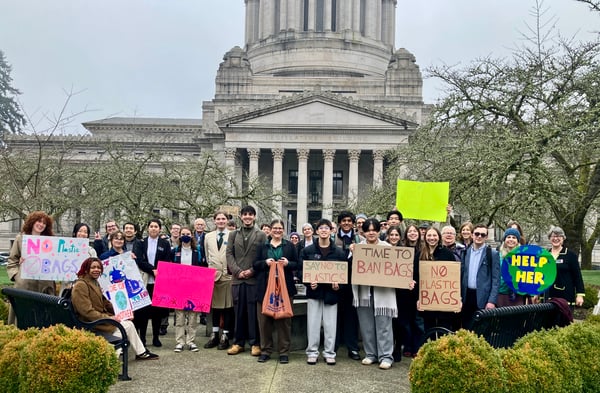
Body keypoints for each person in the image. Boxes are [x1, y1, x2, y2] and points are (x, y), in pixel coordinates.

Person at [71, 257, 158, 360]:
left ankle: (140, 353)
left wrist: (124, 313)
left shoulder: (94, 282)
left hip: (99, 321)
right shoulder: (80, 285)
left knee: (128, 324)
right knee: (123, 331)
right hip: (91, 324)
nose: (96, 270)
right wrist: (110, 318)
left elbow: (106, 303)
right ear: (86, 269)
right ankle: (112, 362)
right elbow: (87, 312)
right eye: (93, 267)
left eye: (99, 267)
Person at [353, 218, 406, 370]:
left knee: (384, 326)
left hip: (383, 293)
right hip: (364, 292)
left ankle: (386, 356)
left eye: (374, 230)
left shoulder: (387, 247)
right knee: (366, 325)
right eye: (368, 230)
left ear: (378, 231)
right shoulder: (358, 248)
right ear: (363, 232)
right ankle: (370, 354)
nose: (371, 233)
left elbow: (398, 270)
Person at [300, 218, 346, 366]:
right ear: (317, 231)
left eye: (327, 228)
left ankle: (329, 352)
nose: (324, 230)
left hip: (331, 294)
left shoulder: (339, 252)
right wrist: (308, 282)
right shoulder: (308, 251)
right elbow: (302, 271)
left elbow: (345, 273)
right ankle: (312, 352)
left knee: (330, 324)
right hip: (314, 293)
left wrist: (338, 285)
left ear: (331, 231)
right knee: (312, 324)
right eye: (321, 228)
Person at [253, 219, 298, 364]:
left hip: (285, 289)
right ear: (270, 230)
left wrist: (287, 264)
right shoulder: (262, 247)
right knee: (264, 321)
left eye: (280, 228)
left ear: (283, 230)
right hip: (265, 288)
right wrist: (265, 263)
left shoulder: (290, 246)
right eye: (275, 228)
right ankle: (266, 350)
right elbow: (255, 264)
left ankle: (284, 352)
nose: (277, 231)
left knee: (284, 322)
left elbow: (297, 264)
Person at [226, 205, 267, 356]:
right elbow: (229, 254)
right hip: (237, 280)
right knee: (238, 312)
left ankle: (255, 343)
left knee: (253, 313)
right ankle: (238, 342)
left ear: (254, 217)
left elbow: (263, 256)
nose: (248, 217)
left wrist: (251, 270)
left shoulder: (261, 234)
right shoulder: (233, 234)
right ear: (241, 217)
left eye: (251, 214)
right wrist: (238, 271)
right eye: (245, 214)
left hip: (253, 279)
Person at [7, 211, 57, 325]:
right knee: (22, 316)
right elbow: (12, 260)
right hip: (25, 284)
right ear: (32, 222)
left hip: (45, 284)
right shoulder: (20, 239)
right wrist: (16, 276)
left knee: (43, 317)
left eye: (44, 223)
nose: (41, 225)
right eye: (39, 221)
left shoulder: (50, 241)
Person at [135, 218, 173, 348]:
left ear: (160, 229)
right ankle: (143, 338)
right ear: (148, 228)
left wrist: (159, 271)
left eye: (156, 226)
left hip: (159, 282)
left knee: (157, 312)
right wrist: (152, 270)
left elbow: (167, 261)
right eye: (151, 226)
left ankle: (156, 337)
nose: (153, 228)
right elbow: (139, 261)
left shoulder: (165, 244)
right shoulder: (141, 243)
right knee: (144, 312)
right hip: (145, 281)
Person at [417, 227, 461, 333]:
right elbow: (416, 277)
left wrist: (457, 298)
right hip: (427, 300)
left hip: (444, 301)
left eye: (434, 235)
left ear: (439, 237)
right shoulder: (419, 255)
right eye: (429, 235)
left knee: (444, 329)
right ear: (425, 237)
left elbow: (454, 277)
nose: (432, 238)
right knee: (429, 329)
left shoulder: (447, 254)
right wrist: (418, 299)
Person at [171, 226, 206, 352]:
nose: (185, 235)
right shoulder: (174, 251)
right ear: (180, 235)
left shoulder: (198, 251)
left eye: (188, 233)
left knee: (192, 316)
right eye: (183, 233)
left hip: (194, 287)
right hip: (179, 287)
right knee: (179, 316)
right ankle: (179, 341)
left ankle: (191, 341)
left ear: (192, 235)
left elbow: (203, 269)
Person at [203, 211, 235, 351]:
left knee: (228, 307)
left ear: (227, 221)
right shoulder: (208, 236)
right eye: (218, 219)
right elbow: (206, 254)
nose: (221, 221)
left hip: (228, 276)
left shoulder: (233, 235)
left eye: (223, 219)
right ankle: (214, 333)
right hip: (214, 276)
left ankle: (226, 335)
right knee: (215, 307)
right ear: (214, 221)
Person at [334, 211, 362, 361]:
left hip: (353, 282)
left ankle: (353, 347)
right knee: (335, 315)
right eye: (343, 220)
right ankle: (334, 346)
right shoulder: (333, 238)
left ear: (353, 223)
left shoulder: (359, 239)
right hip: (336, 282)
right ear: (339, 223)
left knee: (352, 316)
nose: (346, 223)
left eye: (349, 221)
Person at [461, 224, 500, 329]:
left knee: (481, 330)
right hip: (466, 297)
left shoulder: (492, 254)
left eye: (482, 235)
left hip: (483, 298)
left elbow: (496, 280)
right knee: (465, 328)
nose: (479, 237)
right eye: (477, 234)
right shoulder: (465, 252)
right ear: (472, 235)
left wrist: (492, 301)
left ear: (486, 237)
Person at [545, 227, 585, 310]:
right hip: (547, 296)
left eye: (559, 236)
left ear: (563, 238)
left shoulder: (571, 256)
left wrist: (580, 295)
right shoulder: (544, 255)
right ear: (549, 238)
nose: (556, 238)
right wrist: (536, 294)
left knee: (563, 322)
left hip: (565, 296)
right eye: (553, 236)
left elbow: (577, 276)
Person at [497, 228, 528, 307]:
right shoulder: (498, 256)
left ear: (517, 241)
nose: (511, 239)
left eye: (514, 237)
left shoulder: (524, 256)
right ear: (505, 239)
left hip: (517, 295)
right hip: (501, 293)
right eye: (508, 237)